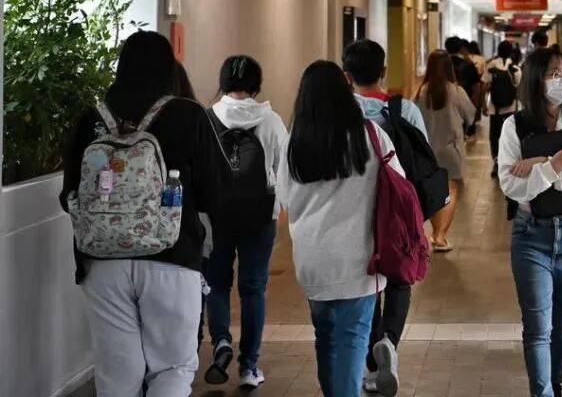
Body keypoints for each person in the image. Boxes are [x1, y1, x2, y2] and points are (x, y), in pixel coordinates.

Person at [60, 30, 230, 397]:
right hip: (173, 257)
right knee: (172, 367)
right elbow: (218, 192)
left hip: (102, 264)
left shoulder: (91, 120)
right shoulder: (188, 114)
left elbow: (68, 196)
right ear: (168, 67)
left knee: (117, 375)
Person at [278, 60, 404, 397]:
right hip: (359, 260)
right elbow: (399, 183)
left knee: (326, 338)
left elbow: (284, 198)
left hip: (313, 261)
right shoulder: (370, 135)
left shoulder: (293, 143)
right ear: (345, 92)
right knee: (352, 340)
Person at [498, 47, 562, 397]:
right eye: (554, 73)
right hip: (531, 235)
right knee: (538, 326)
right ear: (535, 78)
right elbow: (511, 184)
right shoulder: (514, 125)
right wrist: (556, 165)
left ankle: (556, 383)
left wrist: (539, 164)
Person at [342, 39, 430, 396]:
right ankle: (389, 342)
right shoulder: (404, 110)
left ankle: (371, 364)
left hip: (354, 211)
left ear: (347, 76)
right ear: (383, 72)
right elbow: (423, 160)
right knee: (399, 278)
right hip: (397, 211)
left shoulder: (340, 112)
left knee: (368, 282)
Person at [203, 55, 289, 390]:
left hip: (217, 215)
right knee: (253, 288)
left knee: (217, 283)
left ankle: (221, 341)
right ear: (257, 84)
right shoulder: (271, 121)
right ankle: (249, 366)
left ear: (223, 81)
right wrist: (280, 208)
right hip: (259, 216)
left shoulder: (208, 118)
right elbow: (283, 171)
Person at [416, 50, 476, 252]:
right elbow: (470, 115)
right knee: (451, 190)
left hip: (427, 150)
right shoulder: (456, 91)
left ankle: (436, 232)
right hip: (451, 149)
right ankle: (440, 236)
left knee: (434, 191)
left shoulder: (421, 91)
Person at [484, 39, 522, 178]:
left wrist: (483, 105)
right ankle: (509, 161)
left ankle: (496, 161)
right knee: (510, 135)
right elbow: (519, 89)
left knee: (495, 135)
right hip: (511, 108)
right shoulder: (515, 68)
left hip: (495, 108)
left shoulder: (491, 65)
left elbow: (485, 86)